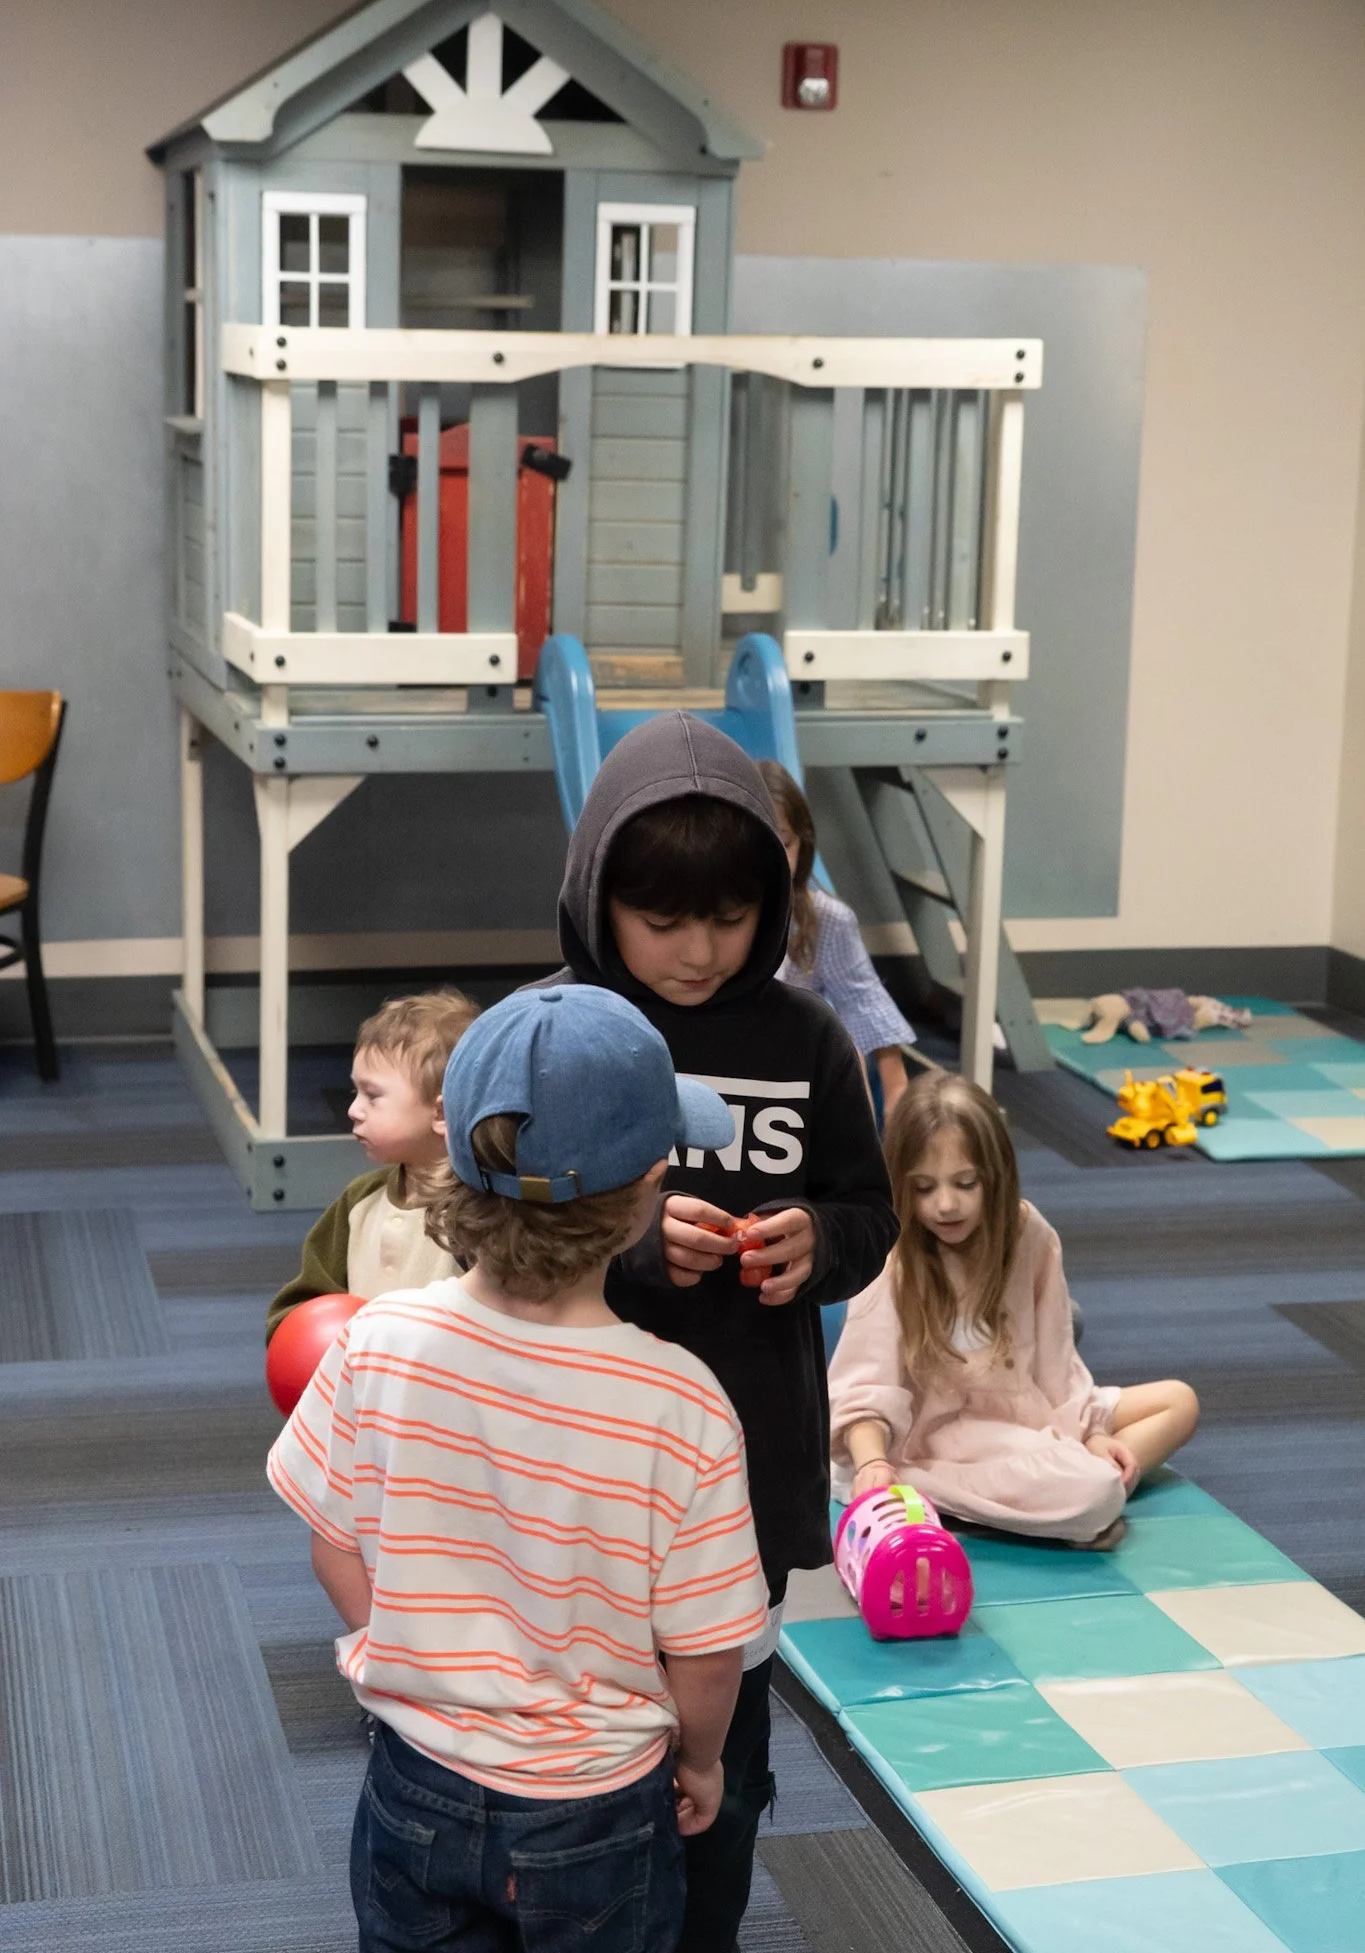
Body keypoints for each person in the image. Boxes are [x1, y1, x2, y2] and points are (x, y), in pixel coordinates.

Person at [267, 982, 769, 1953]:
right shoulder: (684, 1400)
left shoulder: (378, 1339)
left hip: (415, 1773)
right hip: (598, 1806)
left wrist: (410, 1646)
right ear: (646, 1187)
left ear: (451, 1150)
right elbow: (707, 1649)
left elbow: (333, 1542)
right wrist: (701, 1760)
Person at [548, 712, 898, 1952]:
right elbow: (494, 1223)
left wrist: (819, 1241)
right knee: (579, 1750)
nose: (699, 951)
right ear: (602, 898)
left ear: (777, 902)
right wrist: (633, 1243)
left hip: (746, 1448)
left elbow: (871, 1206)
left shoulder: (806, 1037)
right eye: (662, 918)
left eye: (732, 916)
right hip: (581, 1457)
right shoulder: (558, 1029)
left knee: (728, 1770)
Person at [828, 1069, 1199, 1549]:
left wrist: (1085, 1438)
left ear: (996, 1176)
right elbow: (865, 1386)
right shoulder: (890, 1252)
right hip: (931, 1442)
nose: (945, 1205)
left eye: (965, 1183)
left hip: (1021, 1418)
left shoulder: (1031, 1235)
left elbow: (1058, 1367)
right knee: (1096, 1490)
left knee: (1179, 1402)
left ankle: (1022, 1504)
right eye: (924, 1188)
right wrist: (874, 1465)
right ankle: (1053, 1503)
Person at [265, 989, 476, 1341]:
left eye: (372, 1096)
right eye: (355, 1093)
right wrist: (295, 1335)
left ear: (440, 1113)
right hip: (360, 1386)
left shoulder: (484, 1212)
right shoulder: (359, 1201)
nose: (353, 1109)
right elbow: (303, 1302)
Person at [758, 760, 917, 1121]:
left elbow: (864, 1002)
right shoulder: (713, 917)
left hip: (795, 1073)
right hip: (734, 1059)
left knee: (846, 1052)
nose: (770, 858)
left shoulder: (826, 920)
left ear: (802, 843)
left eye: (782, 843)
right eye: (757, 841)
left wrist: (896, 1091)